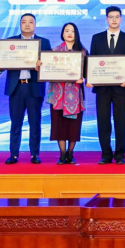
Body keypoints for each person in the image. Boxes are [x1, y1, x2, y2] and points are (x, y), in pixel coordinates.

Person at [0, 13, 50, 165]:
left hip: (34, 87)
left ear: (35, 24)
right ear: (20, 24)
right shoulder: (10, 42)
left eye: (30, 22)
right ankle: (14, 155)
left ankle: (34, 154)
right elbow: (2, 63)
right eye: (24, 22)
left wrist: (42, 64)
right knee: (15, 123)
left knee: (35, 123)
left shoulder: (44, 42)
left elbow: (49, 67)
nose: (27, 25)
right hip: (16, 88)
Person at [88, 6, 125, 165]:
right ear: (106, 19)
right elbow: (93, 61)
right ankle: (106, 155)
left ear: (121, 18)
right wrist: (91, 78)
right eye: (111, 17)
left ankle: (120, 155)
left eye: (117, 17)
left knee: (120, 122)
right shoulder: (97, 38)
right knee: (103, 122)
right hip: (102, 88)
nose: (114, 20)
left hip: (121, 87)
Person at [47, 22, 86, 165]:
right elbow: (48, 71)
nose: (69, 33)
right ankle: (62, 154)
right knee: (59, 125)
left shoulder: (83, 52)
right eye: (66, 30)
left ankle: (70, 153)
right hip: (58, 94)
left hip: (75, 95)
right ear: (62, 33)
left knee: (73, 126)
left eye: (72, 31)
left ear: (77, 33)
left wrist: (84, 78)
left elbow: (88, 72)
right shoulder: (54, 51)